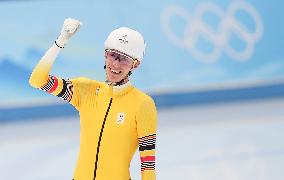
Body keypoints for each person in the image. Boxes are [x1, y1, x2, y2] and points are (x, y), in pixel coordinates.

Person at [29, 18, 157, 180]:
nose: (116, 64)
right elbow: (37, 80)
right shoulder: (85, 91)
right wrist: (61, 41)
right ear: (105, 54)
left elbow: (148, 165)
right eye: (112, 55)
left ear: (135, 64)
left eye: (124, 59)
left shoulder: (143, 104)